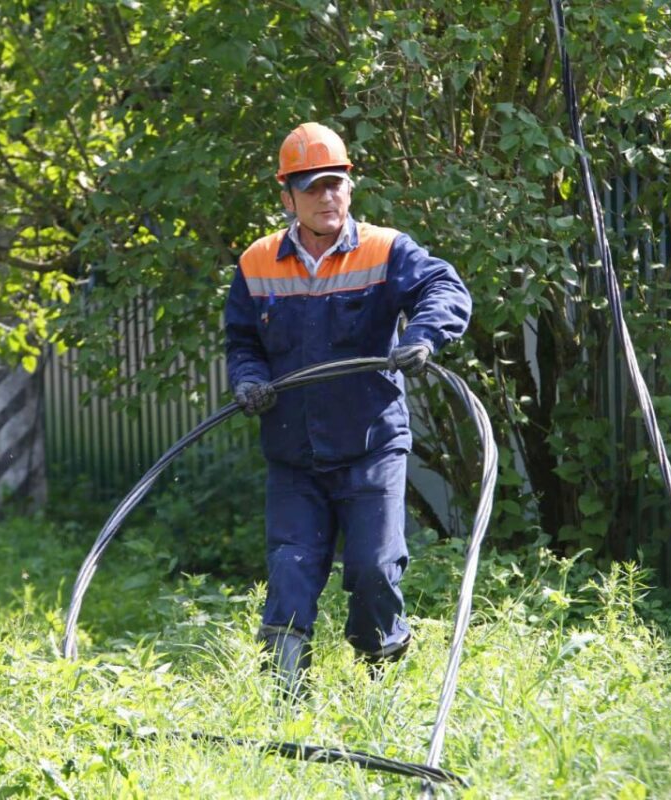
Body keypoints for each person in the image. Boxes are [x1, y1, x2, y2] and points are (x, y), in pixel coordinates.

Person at [224, 122, 472, 695]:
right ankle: (284, 706)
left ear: (350, 189)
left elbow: (445, 288)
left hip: (370, 446)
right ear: (288, 197)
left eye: (335, 184)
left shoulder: (385, 250)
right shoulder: (257, 263)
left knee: (372, 568)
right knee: (290, 571)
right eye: (312, 188)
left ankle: (378, 682)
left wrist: (426, 334)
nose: (327, 197)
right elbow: (243, 344)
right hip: (293, 455)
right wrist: (249, 381)